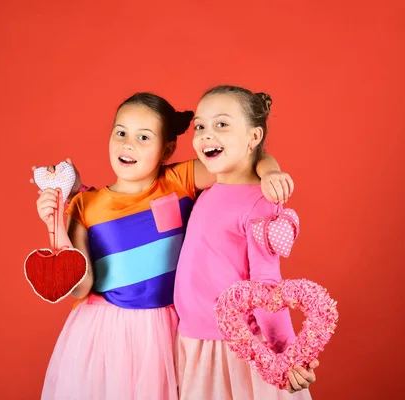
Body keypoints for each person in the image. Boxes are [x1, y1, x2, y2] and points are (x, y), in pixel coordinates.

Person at [32, 92, 296, 399]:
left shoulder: (179, 179)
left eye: (144, 137)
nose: (128, 144)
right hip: (109, 331)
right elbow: (80, 286)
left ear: (167, 149)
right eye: (120, 133)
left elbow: (242, 159)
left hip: (171, 327)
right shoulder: (84, 205)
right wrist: (54, 223)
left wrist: (270, 171)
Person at [173, 85, 317, 399]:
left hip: (233, 351)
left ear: (253, 138)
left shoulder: (260, 203)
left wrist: (285, 352)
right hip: (193, 341)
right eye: (200, 126)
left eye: (221, 124)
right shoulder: (208, 191)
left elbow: (267, 285)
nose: (207, 134)